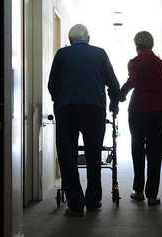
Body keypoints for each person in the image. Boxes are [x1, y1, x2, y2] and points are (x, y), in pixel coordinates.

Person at [48, 24, 120, 216]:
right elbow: (113, 84)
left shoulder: (61, 55)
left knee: (67, 155)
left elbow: (51, 84)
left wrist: (61, 100)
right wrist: (115, 102)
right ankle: (93, 200)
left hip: (67, 109)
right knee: (93, 154)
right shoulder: (100, 54)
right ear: (88, 38)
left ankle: (75, 203)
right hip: (94, 110)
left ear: (70, 40)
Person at [119, 31, 162, 206]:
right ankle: (152, 195)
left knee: (138, 149)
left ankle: (138, 191)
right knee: (155, 152)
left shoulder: (135, 62)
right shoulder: (160, 63)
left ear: (137, 45)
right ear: (152, 44)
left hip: (138, 111)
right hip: (158, 112)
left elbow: (132, 81)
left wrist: (121, 94)